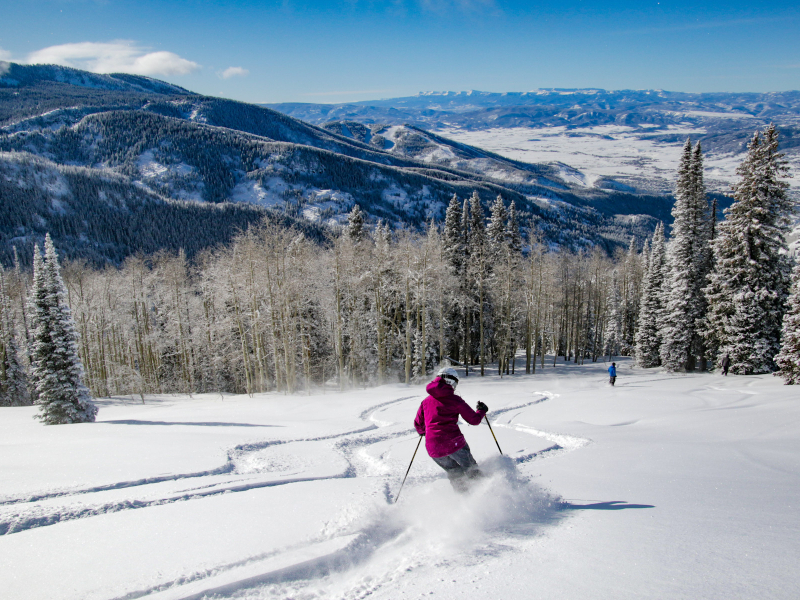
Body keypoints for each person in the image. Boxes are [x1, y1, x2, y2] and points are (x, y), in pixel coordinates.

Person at [414, 367, 487, 493]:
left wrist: (424, 433)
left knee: (455, 473)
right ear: (449, 381)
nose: (454, 387)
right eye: (455, 383)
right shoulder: (455, 399)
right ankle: (485, 494)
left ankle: (465, 499)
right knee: (471, 469)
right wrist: (482, 410)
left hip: (433, 448)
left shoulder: (425, 401)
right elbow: (474, 420)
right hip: (454, 443)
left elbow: (418, 424)